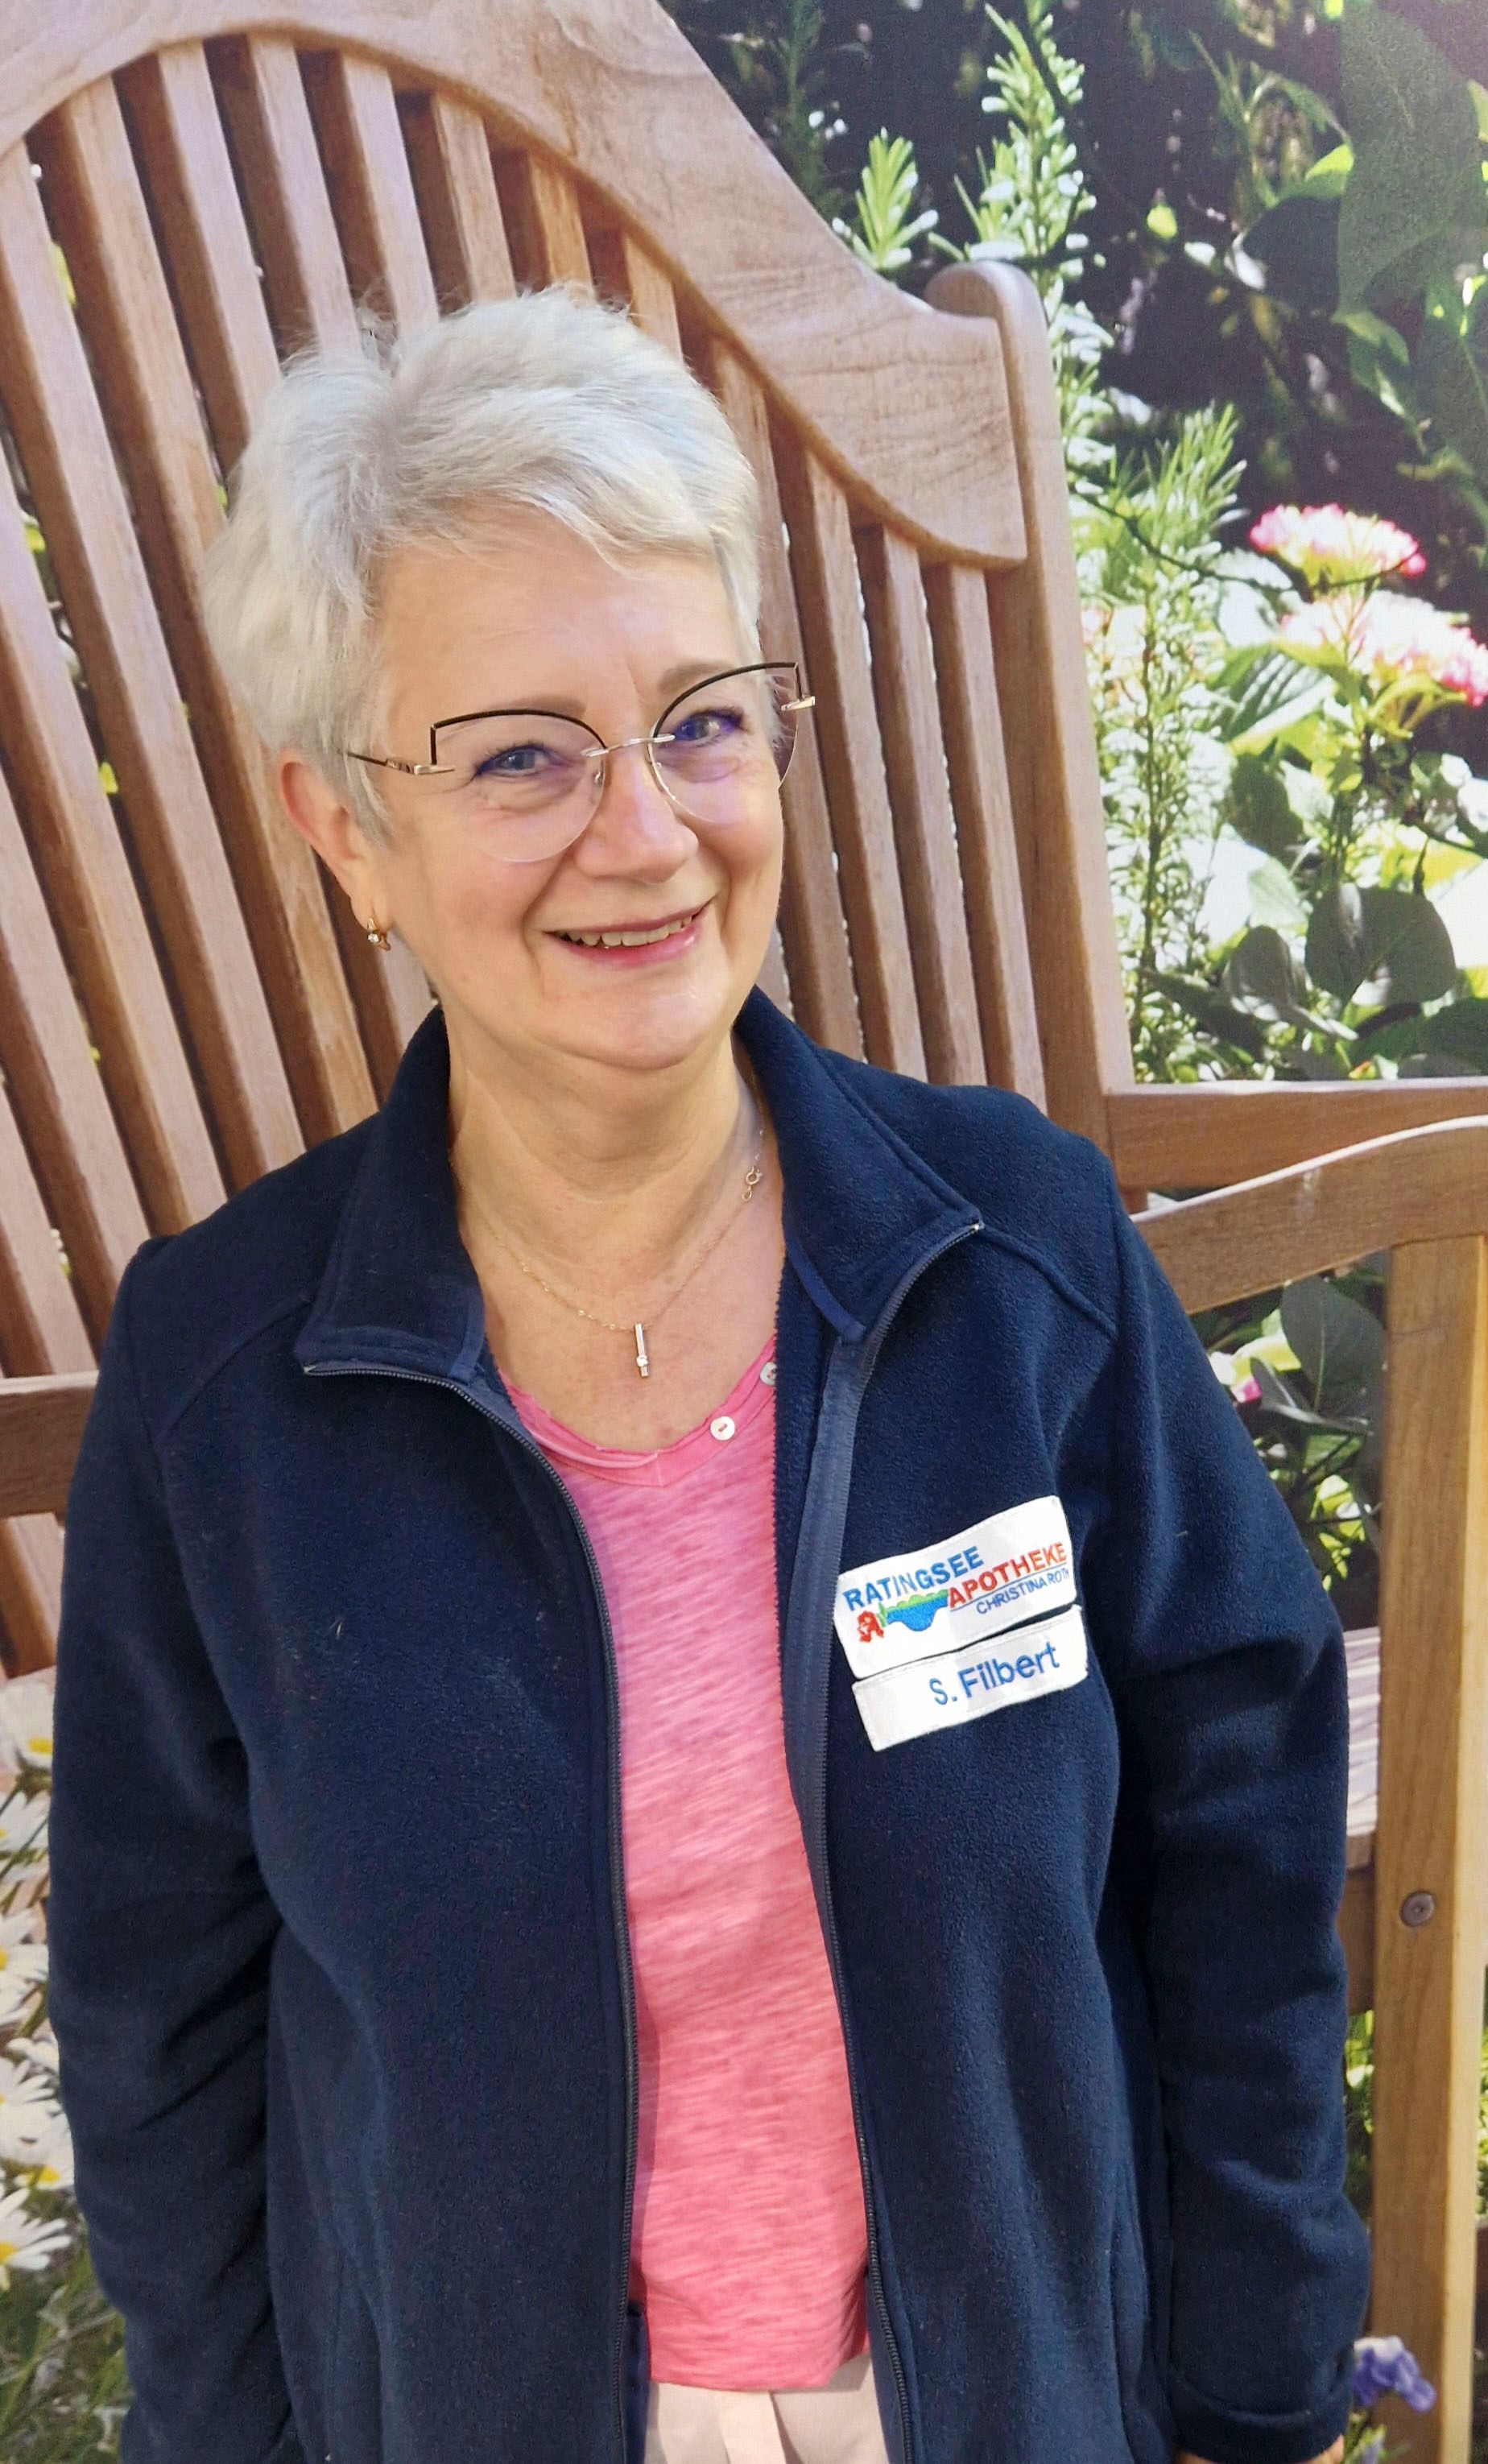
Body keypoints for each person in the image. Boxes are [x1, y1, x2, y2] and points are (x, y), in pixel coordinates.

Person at [45, 282, 1368, 2464]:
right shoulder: (224, 1396)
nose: (645, 830)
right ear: (346, 825)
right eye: (521, 754)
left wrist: (1253, 2374)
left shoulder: (1010, 1262)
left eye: (701, 719)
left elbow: (1234, 1803)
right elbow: (159, 2032)